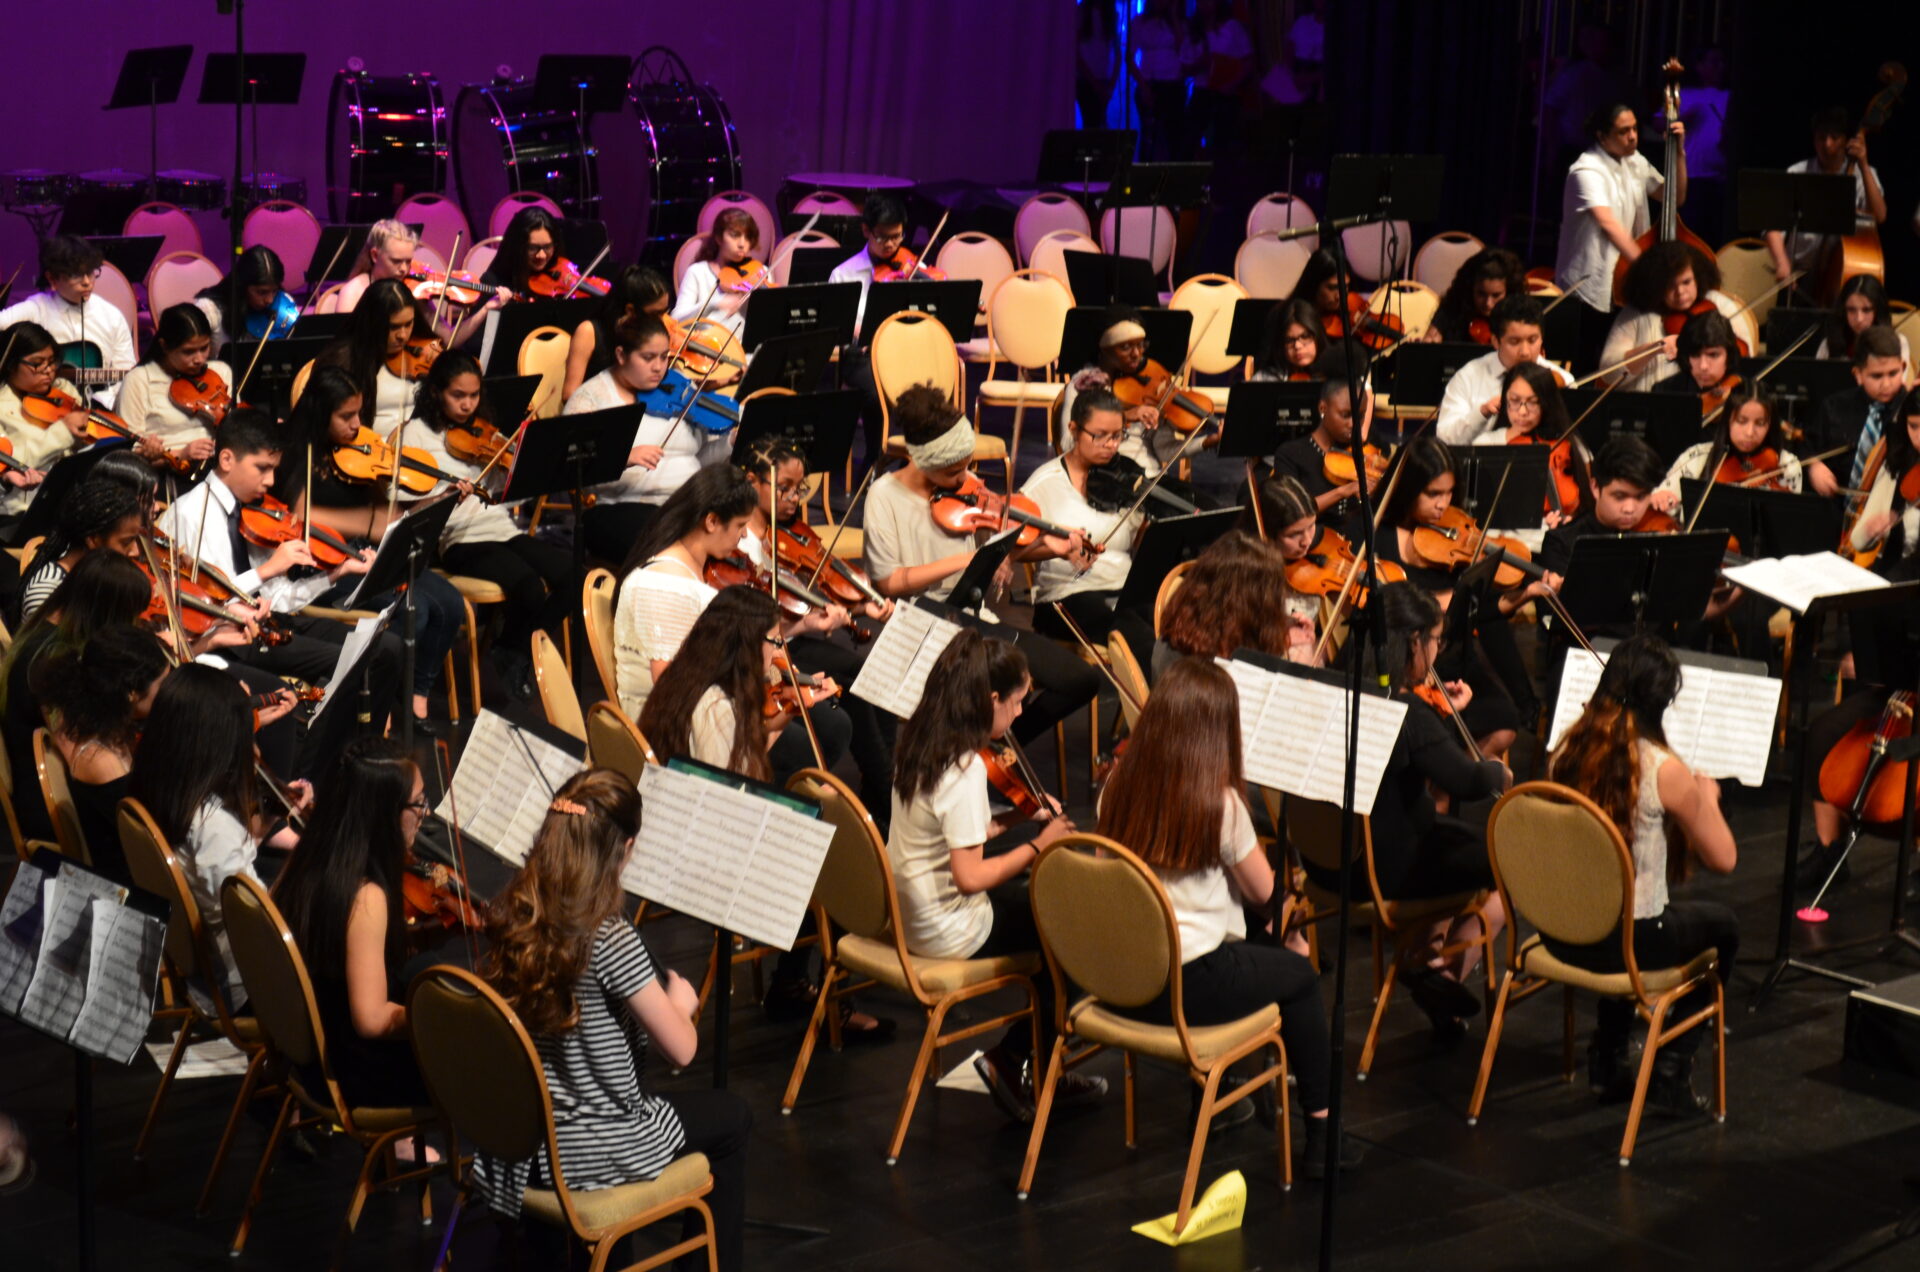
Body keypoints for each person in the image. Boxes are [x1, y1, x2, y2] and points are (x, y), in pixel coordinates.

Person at [475, 770, 752, 1272]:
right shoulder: (607, 936)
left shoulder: (516, 909)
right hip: (589, 1146)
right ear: (622, 848)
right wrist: (683, 1005)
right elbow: (682, 1051)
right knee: (733, 1119)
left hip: (525, 1139)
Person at [1098, 656, 1363, 1173]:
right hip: (1190, 987)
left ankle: (1220, 1097)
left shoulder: (1117, 788)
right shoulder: (1219, 805)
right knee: (1300, 977)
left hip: (1126, 981)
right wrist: (1295, 939)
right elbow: (1267, 897)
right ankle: (1325, 1137)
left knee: (1265, 949)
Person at [886, 630, 1103, 1120]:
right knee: (1075, 934)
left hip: (907, 915)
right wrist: (1035, 846)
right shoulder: (963, 769)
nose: (1022, 713)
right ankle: (1017, 1060)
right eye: (1019, 701)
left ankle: (1031, 1062)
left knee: (1042, 911)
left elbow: (958, 832)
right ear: (990, 700)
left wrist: (1017, 820)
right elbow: (968, 876)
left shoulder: (920, 741)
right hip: (949, 928)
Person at [1309, 583, 1511, 1037]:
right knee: (1506, 869)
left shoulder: (1328, 689)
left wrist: (1440, 719)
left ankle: (1426, 957)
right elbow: (1467, 780)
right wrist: (1497, 771)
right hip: (1384, 871)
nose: (1439, 651)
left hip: (1325, 865)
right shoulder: (1406, 713)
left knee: (1449, 837)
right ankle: (1441, 978)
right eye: (1436, 640)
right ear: (1414, 642)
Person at [1546, 634, 1737, 1113]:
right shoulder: (1663, 769)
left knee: (1620, 907)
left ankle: (1607, 1060)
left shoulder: (1566, 748)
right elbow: (1725, 858)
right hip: (1625, 944)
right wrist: (1707, 799)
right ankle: (1671, 1067)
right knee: (1724, 930)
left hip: (1561, 930)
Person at [157, 407, 424, 746]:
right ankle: (326, 757)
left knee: (388, 646)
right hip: (236, 638)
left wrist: (334, 574)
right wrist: (267, 569)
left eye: (273, 470)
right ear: (226, 459)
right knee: (361, 660)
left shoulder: (253, 511)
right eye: (262, 469)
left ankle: (363, 750)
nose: (270, 482)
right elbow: (202, 603)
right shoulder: (190, 515)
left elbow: (278, 596)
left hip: (276, 622)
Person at [861, 388, 1100, 744]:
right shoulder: (884, 496)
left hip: (977, 621)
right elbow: (889, 582)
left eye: (967, 467)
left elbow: (1000, 552)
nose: (965, 480)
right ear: (925, 461)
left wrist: (1052, 547)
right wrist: (962, 560)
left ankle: (999, 743)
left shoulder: (965, 488)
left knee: (1081, 679)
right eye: (954, 471)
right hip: (924, 624)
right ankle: (984, 751)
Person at [613, 465, 849, 783]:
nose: (742, 537)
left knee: (833, 723)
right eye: (740, 525)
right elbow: (671, 690)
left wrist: (783, 684)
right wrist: (773, 706)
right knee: (820, 739)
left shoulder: (700, 567)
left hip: (712, 698)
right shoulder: (663, 587)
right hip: (679, 727)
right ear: (711, 521)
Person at [128, 664, 309, 1008]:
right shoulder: (214, 825)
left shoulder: (160, 780)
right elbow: (254, 916)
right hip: (247, 982)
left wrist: (268, 820)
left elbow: (212, 868)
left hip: (206, 959)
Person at [273, 738, 439, 1114]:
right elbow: (371, 1019)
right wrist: (441, 1017)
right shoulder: (366, 896)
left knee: (423, 970)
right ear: (385, 813)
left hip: (310, 1048)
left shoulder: (314, 856)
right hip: (357, 1073)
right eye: (418, 803)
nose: (425, 813)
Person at [738, 434, 895, 818]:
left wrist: (859, 604)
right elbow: (776, 617)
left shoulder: (790, 532)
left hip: (791, 635)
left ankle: (882, 786)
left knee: (873, 673)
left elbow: (817, 587)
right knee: (858, 674)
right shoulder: (739, 541)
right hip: (771, 647)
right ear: (751, 482)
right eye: (784, 488)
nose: (794, 499)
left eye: (799, 489)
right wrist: (812, 620)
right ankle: (882, 791)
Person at [407, 352, 579, 693]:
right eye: (459, 396)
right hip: (455, 539)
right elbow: (407, 508)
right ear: (435, 392)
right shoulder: (415, 434)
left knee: (576, 577)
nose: (468, 404)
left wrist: (510, 471)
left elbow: (499, 495)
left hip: (498, 527)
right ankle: (516, 651)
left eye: (474, 396)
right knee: (529, 586)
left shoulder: (482, 431)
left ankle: (515, 648)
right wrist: (443, 498)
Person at [1374, 436, 1530, 756]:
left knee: (1504, 722)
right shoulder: (1376, 534)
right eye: (1433, 494)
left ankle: (1454, 773)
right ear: (1406, 488)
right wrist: (1439, 602)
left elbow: (1478, 611)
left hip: (1450, 659)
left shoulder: (1453, 534)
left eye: (1448, 493)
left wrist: (1522, 596)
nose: (1443, 504)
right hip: (1403, 661)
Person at [565, 314, 728, 561]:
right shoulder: (590, 399)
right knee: (679, 545)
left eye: (664, 357)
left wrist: (729, 443)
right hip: (618, 509)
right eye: (648, 358)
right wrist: (623, 457)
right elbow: (572, 468)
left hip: (687, 502)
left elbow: (699, 461)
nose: (659, 367)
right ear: (621, 355)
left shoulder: (679, 390)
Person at [30, 624, 172, 884]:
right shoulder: (102, 763)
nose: (168, 691)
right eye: (162, 683)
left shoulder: (92, 719)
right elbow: (151, 835)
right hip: (133, 882)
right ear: (131, 693)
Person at [1017, 389, 1151, 656]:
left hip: (1122, 589)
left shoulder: (1124, 477)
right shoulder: (1044, 484)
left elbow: (1136, 541)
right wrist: (1055, 547)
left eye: (1117, 436)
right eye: (1100, 436)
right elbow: (1013, 551)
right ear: (1074, 430)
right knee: (1138, 639)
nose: (1112, 445)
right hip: (1065, 596)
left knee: (1171, 623)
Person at [1553, 101, 1687, 369]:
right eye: (1623, 131)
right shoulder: (1586, 171)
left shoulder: (1635, 162)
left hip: (1622, 281)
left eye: (1635, 128)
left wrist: (1679, 152)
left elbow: (1675, 197)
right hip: (1589, 286)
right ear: (1602, 136)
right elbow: (1609, 224)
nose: (1633, 136)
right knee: (1587, 363)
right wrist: (1648, 269)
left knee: (1614, 363)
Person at [1153, 530, 1314, 678]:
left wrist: (1293, 642)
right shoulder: (1184, 659)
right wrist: (1297, 667)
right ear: (1249, 605)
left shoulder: (1206, 621)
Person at [0, 236, 135, 408]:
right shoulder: (37, 308)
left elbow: (126, 373)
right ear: (52, 279)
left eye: (91, 272)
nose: (87, 282)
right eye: (76, 275)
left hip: (101, 407)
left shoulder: (112, 316)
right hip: (42, 405)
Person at [1764, 106, 1889, 287]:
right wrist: (1782, 262)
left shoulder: (1863, 175)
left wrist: (1863, 163)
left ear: (1846, 140)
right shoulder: (1797, 173)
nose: (1827, 144)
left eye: (1834, 138)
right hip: (1798, 272)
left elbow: (1879, 216)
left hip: (1841, 274)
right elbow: (1772, 224)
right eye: (1821, 138)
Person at [1599, 242, 1741, 392]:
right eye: (1670, 285)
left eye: (1686, 282)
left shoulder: (1721, 305)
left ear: (1698, 277)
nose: (1680, 292)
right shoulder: (1635, 314)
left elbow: (1741, 365)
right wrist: (1653, 349)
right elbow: (1609, 375)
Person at [1435, 296, 1572, 444]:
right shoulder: (1468, 378)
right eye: (1514, 342)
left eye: (1532, 340)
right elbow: (1445, 439)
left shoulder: (1564, 380)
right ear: (1495, 341)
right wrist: (1481, 414)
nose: (1525, 352)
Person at [111, 303, 229, 467]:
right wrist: (180, 454)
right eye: (188, 352)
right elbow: (125, 452)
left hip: (222, 465)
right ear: (164, 346)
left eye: (204, 348)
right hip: (168, 473)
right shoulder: (139, 380)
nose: (200, 359)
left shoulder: (220, 372)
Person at [1475, 361, 1590, 526]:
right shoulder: (1486, 444)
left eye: (1533, 402)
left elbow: (1586, 501)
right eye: (1514, 400)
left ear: (1546, 403)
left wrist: (1570, 522)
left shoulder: (1568, 443)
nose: (1522, 412)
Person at [1806, 325, 1909, 499]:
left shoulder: (1912, 411)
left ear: (1903, 367)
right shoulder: (1834, 406)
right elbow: (1807, 446)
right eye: (1876, 376)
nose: (1886, 384)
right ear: (1858, 374)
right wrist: (1813, 467)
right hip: (1835, 508)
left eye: (1893, 373)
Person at [18, 477, 144, 619]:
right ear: (93, 540)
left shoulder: (102, 578)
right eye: (126, 542)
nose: (136, 551)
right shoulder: (48, 594)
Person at [1271, 376, 1379, 538]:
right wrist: (1343, 491)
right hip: (1312, 542)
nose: (1354, 424)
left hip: (1358, 541)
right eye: (1346, 415)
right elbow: (1291, 511)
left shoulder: (1365, 451)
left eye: (1360, 416)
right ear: (1323, 408)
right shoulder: (1290, 453)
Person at [0, 321, 87, 518]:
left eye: (52, 361)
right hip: (21, 513)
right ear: (11, 363)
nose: (48, 370)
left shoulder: (63, 389)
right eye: (37, 364)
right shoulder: (2, 406)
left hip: (72, 503)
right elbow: (12, 462)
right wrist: (63, 432)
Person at [319, 277, 429, 432]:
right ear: (373, 323)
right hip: (368, 451)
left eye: (408, 324)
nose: (403, 335)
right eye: (394, 327)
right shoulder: (342, 360)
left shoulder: (422, 352)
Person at [1661, 388, 1802, 501]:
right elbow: (1664, 495)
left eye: (1760, 423)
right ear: (1728, 421)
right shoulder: (1696, 455)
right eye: (1741, 421)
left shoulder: (1786, 464)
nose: (1749, 432)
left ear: (1770, 425)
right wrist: (1661, 498)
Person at [563, 265, 671, 402]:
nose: (663, 321)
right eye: (656, 314)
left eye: (665, 312)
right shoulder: (588, 331)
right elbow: (569, 394)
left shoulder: (653, 335)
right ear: (630, 310)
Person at [671, 208, 760, 342]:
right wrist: (713, 303)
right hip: (705, 350)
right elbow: (677, 319)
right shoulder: (698, 272)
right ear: (719, 238)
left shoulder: (760, 273)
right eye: (735, 235)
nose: (742, 244)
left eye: (748, 237)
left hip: (746, 353)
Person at [193, 244, 298, 355]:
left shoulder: (285, 306)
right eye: (262, 292)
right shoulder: (209, 309)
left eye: (274, 291)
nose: (270, 300)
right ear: (242, 286)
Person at [1129, 0, 1194, 159]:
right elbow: (1129, 58)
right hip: (1149, 84)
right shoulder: (1139, 22)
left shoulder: (1181, 23)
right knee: (1149, 137)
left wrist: (1174, 18)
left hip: (1173, 84)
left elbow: (1184, 50)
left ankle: (1172, 177)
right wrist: (1143, 86)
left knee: (1174, 138)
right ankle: (1146, 175)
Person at [1425, 248, 1527, 346]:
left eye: (1496, 295)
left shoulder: (1517, 313)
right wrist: (1428, 344)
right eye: (1481, 294)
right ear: (1470, 288)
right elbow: (1432, 338)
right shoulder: (1452, 307)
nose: (1488, 303)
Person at [1817, 275, 1912, 378]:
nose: (1859, 319)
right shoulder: (1829, 344)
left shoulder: (1898, 343)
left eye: (1866, 310)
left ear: (1878, 311)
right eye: (1851, 310)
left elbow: (1897, 388)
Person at [1652, 310, 1744, 400]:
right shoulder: (1663, 392)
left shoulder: (1747, 386)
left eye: (1713, 355)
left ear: (1729, 355)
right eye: (1695, 355)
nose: (1703, 366)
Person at [478, 206, 565, 299]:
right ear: (517, 246)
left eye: (547, 247)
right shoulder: (493, 282)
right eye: (533, 248)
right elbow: (488, 314)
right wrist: (493, 310)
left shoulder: (558, 276)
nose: (541, 255)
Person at [1250, 298, 1329, 380]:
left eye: (1305, 336)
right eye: (1289, 340)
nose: (1297, 346)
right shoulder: (1264, 379)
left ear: (1318, 335)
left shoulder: (1336, 376)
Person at [1075, 0, 1118, 128]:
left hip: (1102, 78)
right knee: (1092, 123)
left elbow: (1117, 52)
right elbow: (1075, 53)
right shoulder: (1081, 13)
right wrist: (1096, 83)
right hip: (1085, 78)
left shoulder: (1110, 15)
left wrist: (1111, 82)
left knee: (1096, 122)